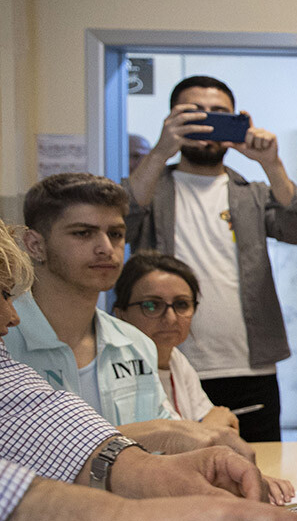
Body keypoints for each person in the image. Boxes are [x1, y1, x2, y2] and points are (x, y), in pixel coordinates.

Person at [0, 218, 297, 521]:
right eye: (3, 294)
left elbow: (22, 411)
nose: (13, 316)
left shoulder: (138, 348)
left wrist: (149, 470)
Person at [7, 172, 253, 460]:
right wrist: (152, 433)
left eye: (115, 234)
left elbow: (164, 457)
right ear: (35, 245)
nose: (106, 249)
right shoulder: (6, 340)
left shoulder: (135, 344)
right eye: (83, 233)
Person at [125, 75, 297, 442]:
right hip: (167, 363)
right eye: (193, 113)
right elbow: (123, 221)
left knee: (257, 475)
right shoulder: (152, 186)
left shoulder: (252, 192)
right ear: (172, 120)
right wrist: (161, 151)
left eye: (219, 113)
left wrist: (272, 164)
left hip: (249, 367)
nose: (207, 121)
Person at [113, 250, 295, 504]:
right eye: (152, 305)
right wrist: (206, 429)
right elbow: (204, 434)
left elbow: (220, 432)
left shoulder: (178, 361)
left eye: (181, 304)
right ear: (120, 313)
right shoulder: (117, 368)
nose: (170, 318)